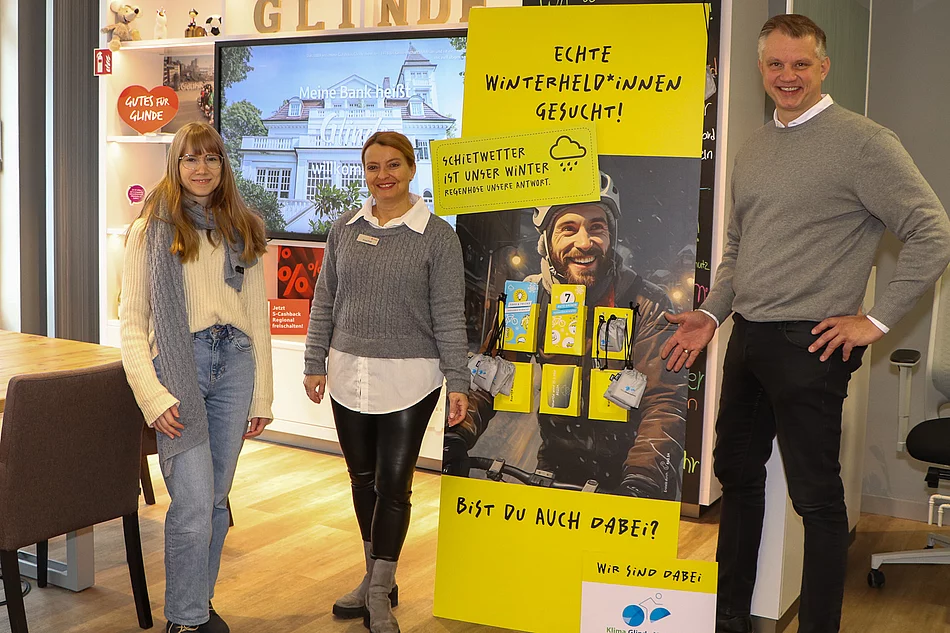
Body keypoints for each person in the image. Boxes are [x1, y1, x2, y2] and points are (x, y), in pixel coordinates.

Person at [660, 14, 950, 633]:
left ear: (823, 67)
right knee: (738, 478)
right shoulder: (755, 147)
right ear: (761, 68)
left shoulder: (865, 143)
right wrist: (711, 314)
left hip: (811, 347)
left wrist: (875, 320)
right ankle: (730, 619)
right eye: (775, 64)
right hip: (748, 339)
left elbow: (933, 231)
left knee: (816, 501)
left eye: (800, 64)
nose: (787, 76)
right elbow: (738, 250)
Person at [302, 130, 469, 633]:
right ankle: (377, 577)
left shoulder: (437, 236)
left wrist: (458, 379)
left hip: (411, 378)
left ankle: (377, 594)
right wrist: (314, 361)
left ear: (412, 168)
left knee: (394, 488)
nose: (383, 175)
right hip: (347, 372)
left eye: (393, 165)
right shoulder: (344, 229)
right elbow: (325, 300)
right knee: (362, 481)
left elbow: (449, 313)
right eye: (373, 166)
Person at [444, 170, 687, 500]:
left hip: (629, 475)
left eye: (597, 227)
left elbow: (664, 404)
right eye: (568, 229)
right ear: (546, 241)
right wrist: (456, 436)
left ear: (611, 235)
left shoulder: (645, 302)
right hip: (555, 469)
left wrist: (643, 479)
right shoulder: (528, 299)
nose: (584, 242)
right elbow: (488, 381)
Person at [120, 122, 272, 633]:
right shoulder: (150, 230)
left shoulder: (243, 228)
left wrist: (262, 396)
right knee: (191, 503)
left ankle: (198, 605)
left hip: (236, 364)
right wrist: (151, 395)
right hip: (179, 368)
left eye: (211, 158)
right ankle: (184, 621)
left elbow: (257, 317)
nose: (201, 168)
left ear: (223, 165)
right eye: (190, 158)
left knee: (216, 500)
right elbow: (132, 322)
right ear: (176, 165)